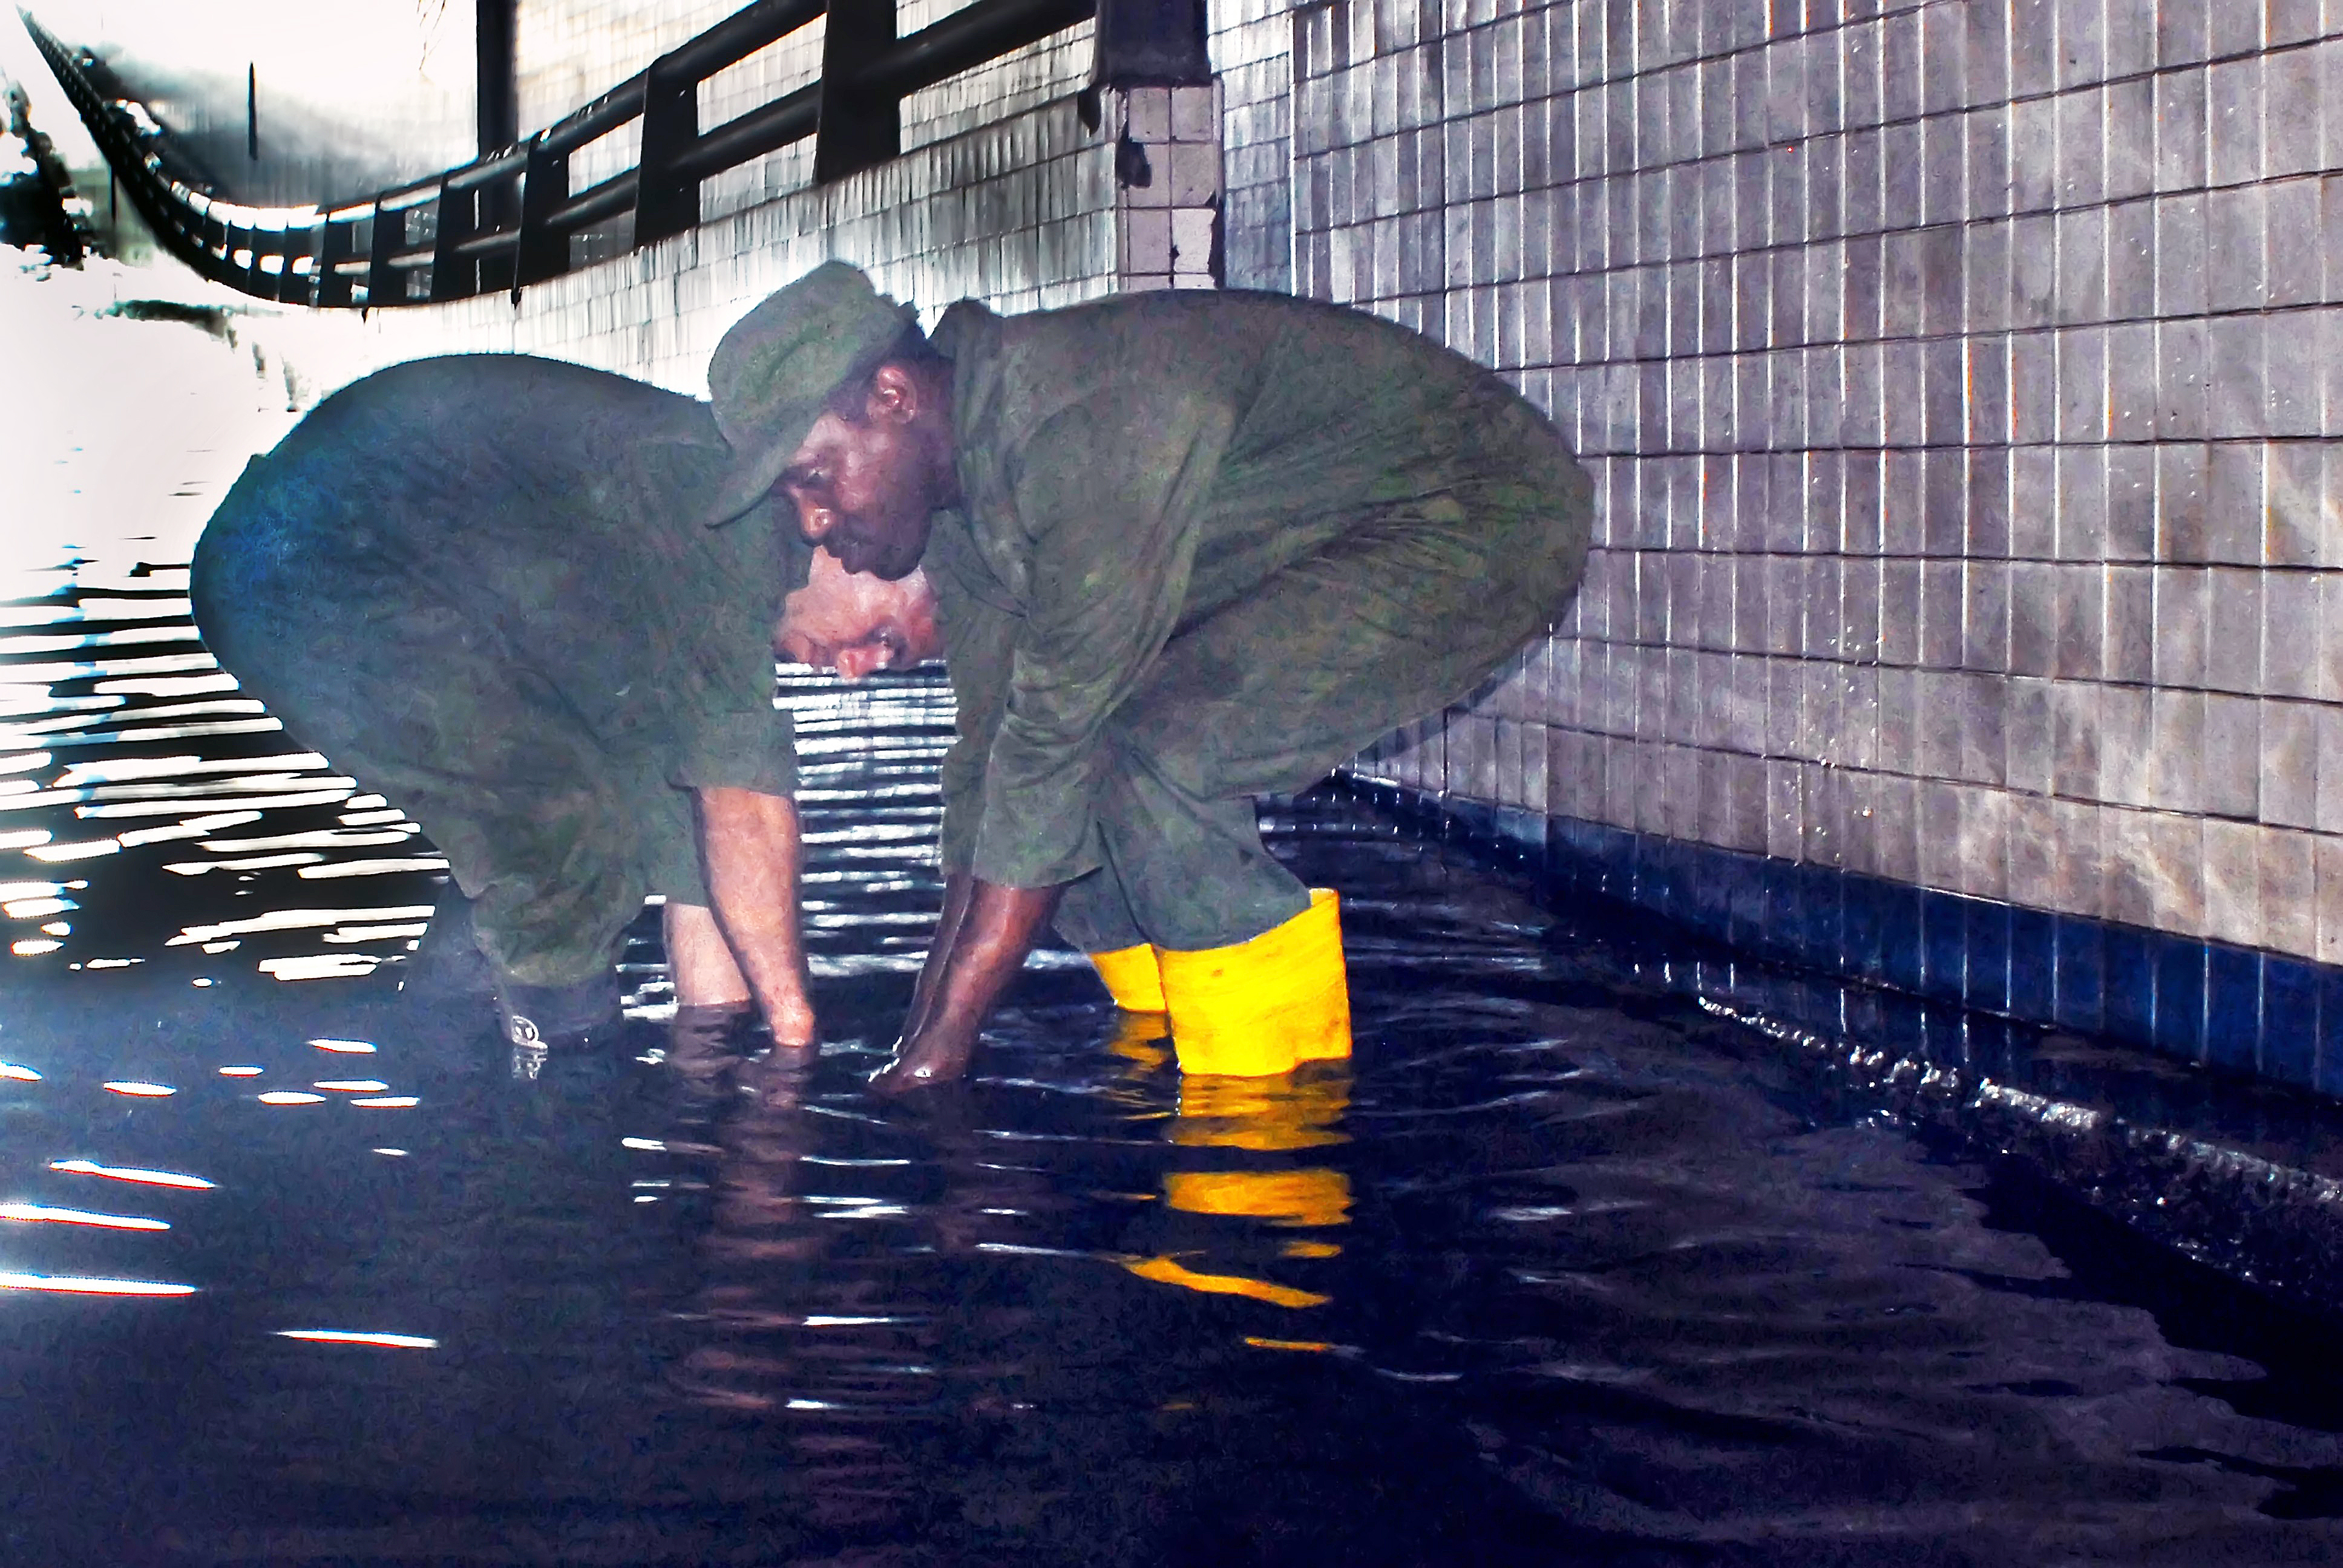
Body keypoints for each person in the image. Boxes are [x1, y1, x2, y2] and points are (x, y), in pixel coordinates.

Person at [704, 262, 1594, 1088]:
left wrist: (944, 1052)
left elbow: (1052, 742)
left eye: (813, 477)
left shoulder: (1075, 421)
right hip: (1310, 547)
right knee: (1051, 810)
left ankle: (1270, 1123)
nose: (813, 523)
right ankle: (1164, 1048)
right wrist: (917, 1037)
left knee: (1163, 754)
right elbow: (993, 763)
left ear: (892, 398)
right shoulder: (959, 511)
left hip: (1476, 512)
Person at [191, 352, 932, 1050]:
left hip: (373, 566)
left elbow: (707, 862)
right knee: (563, 834)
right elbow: (746, 809)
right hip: (301, 558)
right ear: (856, 544)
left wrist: (716, 1068)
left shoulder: (703, 591)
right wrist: (793, 1052)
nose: (855, 671)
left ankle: (437, 1059)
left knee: (574, 820)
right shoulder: (735, 523)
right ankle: (564, 1101)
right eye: (884, 638)